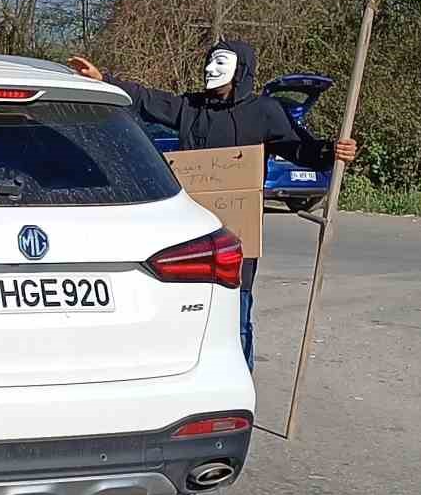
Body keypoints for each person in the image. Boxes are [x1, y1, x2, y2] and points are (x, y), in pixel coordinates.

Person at [68, 39, 358, 369]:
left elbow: (298, 148)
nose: (210, 69)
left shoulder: (264, 112)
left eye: (220, 63)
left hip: (237, 238)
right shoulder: (192, 108)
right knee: (188, 314)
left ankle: (239, 388)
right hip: (190, 236)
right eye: (209, 62)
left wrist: (331, 152)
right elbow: (150, 101)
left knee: (236, 316)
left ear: (240, 71)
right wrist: (105, 80)